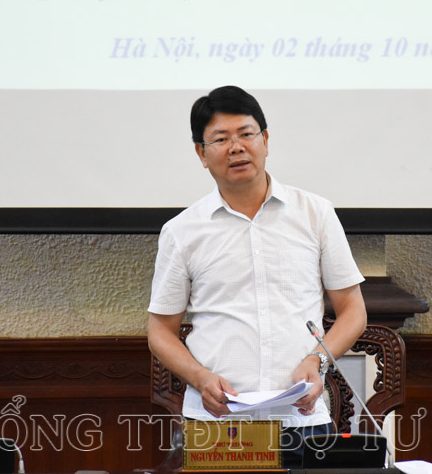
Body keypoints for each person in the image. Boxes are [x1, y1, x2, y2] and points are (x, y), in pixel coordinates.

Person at [147, 85, 367, 467]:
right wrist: (199, 377)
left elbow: (353, 311)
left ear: (265, 140)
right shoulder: (182, 231)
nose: (236, 148)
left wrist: (317, 361)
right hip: (218, 424)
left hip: (301, 419)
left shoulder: (315, 213)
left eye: (246, 134)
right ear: (201, 153)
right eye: (221, 139)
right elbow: (160, 332)